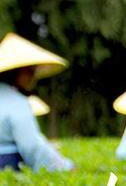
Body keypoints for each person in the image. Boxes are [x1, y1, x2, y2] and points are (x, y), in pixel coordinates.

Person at [0, 33, 74, 171]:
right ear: (17, 71)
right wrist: (65, 166)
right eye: (30, 71)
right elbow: (31, 146)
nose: (33, 77)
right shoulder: (17, 102)